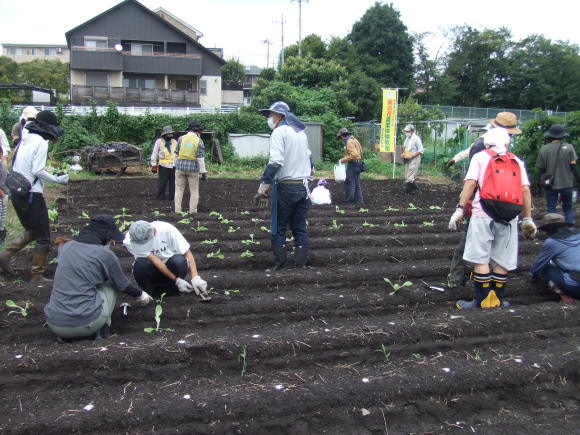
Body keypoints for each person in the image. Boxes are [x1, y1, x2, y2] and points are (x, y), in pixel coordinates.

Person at [448, 128, 537, 309]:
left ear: (487, 142)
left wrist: (459, 209)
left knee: (480, 258)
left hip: (483, 214)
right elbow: (525, 190)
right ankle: (498, 299)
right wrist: (527, 218)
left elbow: (471, 183)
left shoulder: (480, 157)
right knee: (502, 258)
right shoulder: (516, 161)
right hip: (510, 216)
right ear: (506, 143)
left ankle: (480, 300)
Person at [44, 215, 154, 342]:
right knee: (110, 286)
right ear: (105, 237)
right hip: (86, 324)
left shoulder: (64, 247)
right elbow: (122, 285)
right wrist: (140, 295)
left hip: (55, 324)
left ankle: (65, 336)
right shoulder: (105, 254)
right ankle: (103, 331)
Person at [445, 112, 523, 288]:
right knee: (472, 243)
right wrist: (463, 206)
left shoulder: (486, 144)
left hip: (490, 205)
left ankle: (471, 282)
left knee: (480, 245)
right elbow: (473, 181)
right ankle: (458, 279)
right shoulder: (485, 147)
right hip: (489, 205)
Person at [0, 110, 69, 282]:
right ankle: (37, 274)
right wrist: (58, 179)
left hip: (17, 192)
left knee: (32, 230)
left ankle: (5, 255)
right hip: (32, 194)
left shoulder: (25, 138)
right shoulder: (41, 143)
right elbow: (37, 170)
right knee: (44, 236)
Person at [255, 101, 312, 269]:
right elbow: (310, 158)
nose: (269, 118)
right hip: (303, 186)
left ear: (279, 116)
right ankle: (300, 265)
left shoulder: (279, 132)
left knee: (278, 227)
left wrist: (264, 184)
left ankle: (280, 265)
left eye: (271, 115)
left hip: (286, 186)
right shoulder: (300, 133)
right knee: (300, 226)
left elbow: (276, 161)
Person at [124, 220, 209, 300]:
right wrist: (175, 279)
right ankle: (148, 293)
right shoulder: (130, 240)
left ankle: (174, 291)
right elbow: (154, 259)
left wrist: (195, 277)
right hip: (150, 271)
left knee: (179, 261)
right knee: (141, 264)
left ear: (154, 232)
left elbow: (187, 252)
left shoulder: (168, 230)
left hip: (170, 267)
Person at [530, 213, 579, 303]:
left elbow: (538, 265)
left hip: (575, 288)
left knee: (545, 268)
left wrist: (533, 276)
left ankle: (565, 296)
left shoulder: (552, 242)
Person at [536, 124, 579, 224]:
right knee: (568, 208)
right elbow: (574, 167)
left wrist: (539, 187)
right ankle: (569, 232)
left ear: (550, 136)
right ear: (563, 136)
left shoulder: (544, 149)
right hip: (567, 184)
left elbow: (541, 170)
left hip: (550, 185)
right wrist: (578, 181)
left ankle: (554, 233)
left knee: (552, 209)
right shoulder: (569, 148)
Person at [174, 120, 207, 213]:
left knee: (179, 190)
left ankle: (177, 210)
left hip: (180, 167)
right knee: (194, 191)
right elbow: (200, 158)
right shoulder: (199, 140)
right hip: (192, 169)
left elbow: (176, 154)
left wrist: (174, 166)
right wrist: (203, 172)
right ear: (197, 131)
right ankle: (192, 211)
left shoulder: (181, 138)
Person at [337, 127, 364, 204]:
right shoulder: (354, 140)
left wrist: (342, 160)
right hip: (358, 163)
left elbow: (354, 154)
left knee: (349, 182)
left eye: (340, 137)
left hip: (353, 164)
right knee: (356, 182)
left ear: (343, 135)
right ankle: (359, 201)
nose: (341, 139)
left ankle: (349, 201)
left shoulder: (349, 142)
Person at [150, 125, 177, 201]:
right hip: (163, 166)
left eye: (171, 133)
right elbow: (155, 153)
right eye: (169, 134)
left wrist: (177, 164)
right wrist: (154, 165)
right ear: (165, 134)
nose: (171, 135)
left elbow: (177, 154)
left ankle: (172, 198)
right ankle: (160, 198)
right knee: (162, 183)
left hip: (173, 166)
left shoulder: (175, 142)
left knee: (173, 183)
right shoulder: (159, 141)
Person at [401, 124, 423, 194]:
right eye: (406, 131)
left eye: (408, 131)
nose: (406, 132)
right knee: (407, 176)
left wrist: (412, 156)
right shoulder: (407, 139)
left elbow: (421, 150)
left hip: (414, 159)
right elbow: (406, 149)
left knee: (410, 177)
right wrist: (403, 154)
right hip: (408, 159)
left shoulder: (416, 139)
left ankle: (417, 191)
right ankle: (411, 191)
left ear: (412, 131)